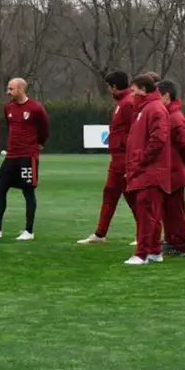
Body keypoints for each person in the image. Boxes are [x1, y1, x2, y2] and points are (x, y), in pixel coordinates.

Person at [0, 77, 49, 241]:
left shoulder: (35, 108)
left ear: (21, 90)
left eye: (11, 89)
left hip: (27, 156)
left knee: (28, 191)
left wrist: (39, 144)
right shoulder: (8, 107)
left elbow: (45, 129)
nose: (7, 92)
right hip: (11, 156)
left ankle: (29, 231)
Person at [78, 71, 137, 244]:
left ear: (114, 87)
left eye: (109, 87)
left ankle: (145, 233)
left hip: (124, 158)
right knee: (111, 194)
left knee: (129, 196)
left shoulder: (128, 103)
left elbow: (134, 130)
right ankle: (100, 233)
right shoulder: (123, 102)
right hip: (118, 158)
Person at [123, 73, 171, 265]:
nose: (132, 95)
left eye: (134, 91)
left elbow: (158, 139)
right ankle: (154, 251)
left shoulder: (154, 109)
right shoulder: (147, 108)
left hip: (151, 171)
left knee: (146, 214)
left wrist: (141, 159)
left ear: (143, 90)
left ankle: (141, 253)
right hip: (146, 170)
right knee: (150, 213)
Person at [159, 80, 185, 257]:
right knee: (168, 209)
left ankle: (181, 245)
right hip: (169, 170)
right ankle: (171, 240)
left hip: (175, 171)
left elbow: (184, 144)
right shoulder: (169, 115)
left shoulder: (175, 117)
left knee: (176, 210)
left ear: (166, 95)